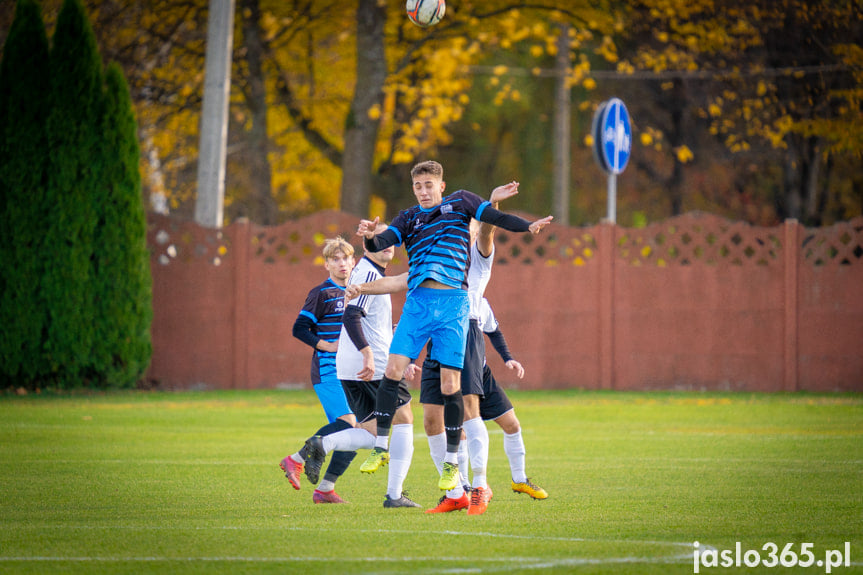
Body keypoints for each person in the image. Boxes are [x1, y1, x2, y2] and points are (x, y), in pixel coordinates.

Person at [355, 160, 552, 494]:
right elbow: (382, 242)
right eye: (418, 186)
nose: (423, 191)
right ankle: (380, 447)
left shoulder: (462, 203)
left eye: (429, 184)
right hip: (418, 303)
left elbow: (494, 220)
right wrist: (371, 238)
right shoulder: (407, 217)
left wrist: (526, 227)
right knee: (392, 370)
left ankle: (452, 465)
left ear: (441, 185)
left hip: (453, 307)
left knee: (451, 386)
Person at [302, 224, 421, 509]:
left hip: (350, 365)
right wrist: (368, 354)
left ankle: (323, 444)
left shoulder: (368, 273)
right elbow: (352, 316)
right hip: (373, 365)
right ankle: (394, 496)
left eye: (391, 240)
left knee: (370, 434)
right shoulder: (367, 273)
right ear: (368, 246)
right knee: (404, 419)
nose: (388, 245)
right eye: (381, 241)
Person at [279, 237, 358, 504]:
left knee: (357, 434)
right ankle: (295, 459)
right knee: (350, 424)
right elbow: (299, 328)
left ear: (353, 261)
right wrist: (328, 345)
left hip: (353, 372)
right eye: (335, 259)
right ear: (326, 264)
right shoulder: (321, 293)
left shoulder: (358, 292)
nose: (342, 263)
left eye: (345, 258)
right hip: (327, 369)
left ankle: (325, 489)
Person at [476, 297, 548, 500]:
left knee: (512, 425)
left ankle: (520, 480)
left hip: (481, 374)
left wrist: (508, 358)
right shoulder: (447, 298)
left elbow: (493, 332)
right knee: (464, 433)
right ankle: (468, 488)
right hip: (455, 374)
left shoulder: (481, 302)